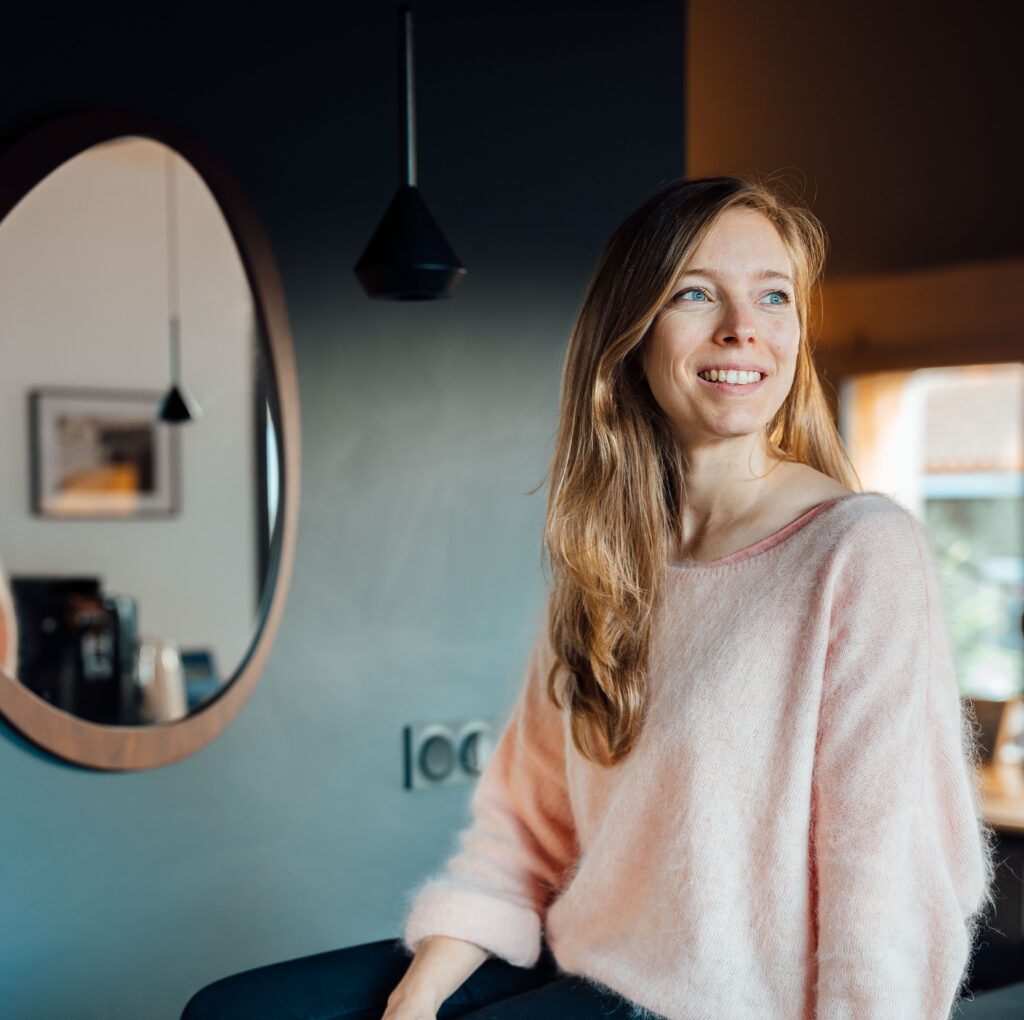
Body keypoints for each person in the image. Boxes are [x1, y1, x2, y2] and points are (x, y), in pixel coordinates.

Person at [181, 175, 997, 1020]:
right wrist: (414, 1002)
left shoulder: (859, 552)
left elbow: (888, 887)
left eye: (773, 295)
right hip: (587, 969)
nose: (743, 329)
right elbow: (522, 833)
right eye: (695, 292)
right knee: (234, 1012)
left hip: (724, 1006)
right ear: (632, 333)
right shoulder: (605, 563)